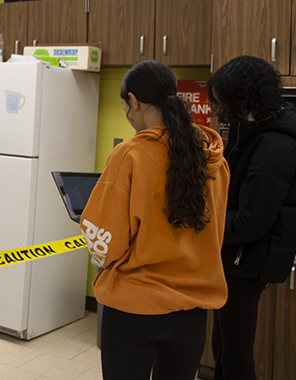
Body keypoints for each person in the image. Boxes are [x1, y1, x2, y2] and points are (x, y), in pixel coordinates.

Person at [80, 59, 229, 380]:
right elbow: (216, 232)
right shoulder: (213, 155)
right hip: (193, 310)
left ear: (134, 101)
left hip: (136, 305)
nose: (129, 117)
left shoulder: (130, 154)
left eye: (125, 109)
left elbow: (106, 241)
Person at [207, 55, 296, 380]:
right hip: (236, 257)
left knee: (236, 357)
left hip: (248, 260)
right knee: (223, 351)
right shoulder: (252, 130)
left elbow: (250, 222)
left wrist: (204, 229)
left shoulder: (275, 145)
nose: (221, 110)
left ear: (244, 98)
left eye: (224, 102)